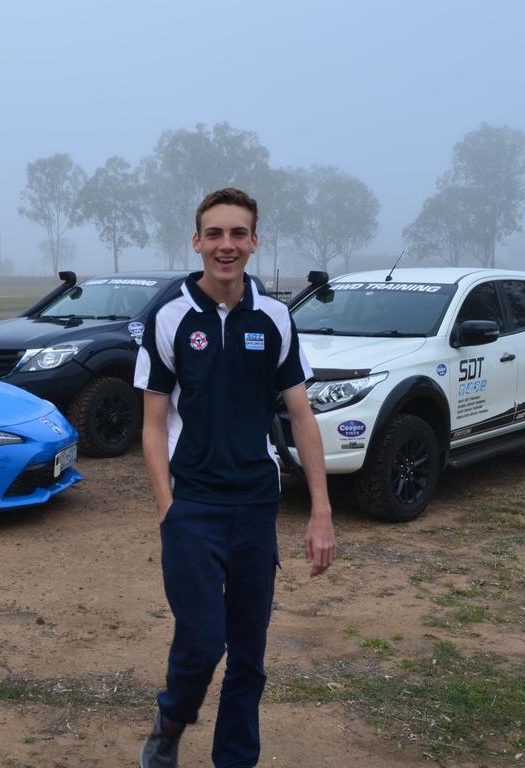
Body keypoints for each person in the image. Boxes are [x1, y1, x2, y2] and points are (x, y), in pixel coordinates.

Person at [134, 187, 336, 768]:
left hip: (255, 508)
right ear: (197, 242)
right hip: (193, 506)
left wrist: (321, 510)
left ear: (254, 242)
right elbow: (151, 425)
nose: (227, 245)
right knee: (202, 641)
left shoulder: (273, 318)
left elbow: (301, 415)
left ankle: (235, 760)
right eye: (215, 234)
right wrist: (168, 509)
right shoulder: (169, 318)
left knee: (249, 656)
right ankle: (171, 721)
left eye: (238, 234)